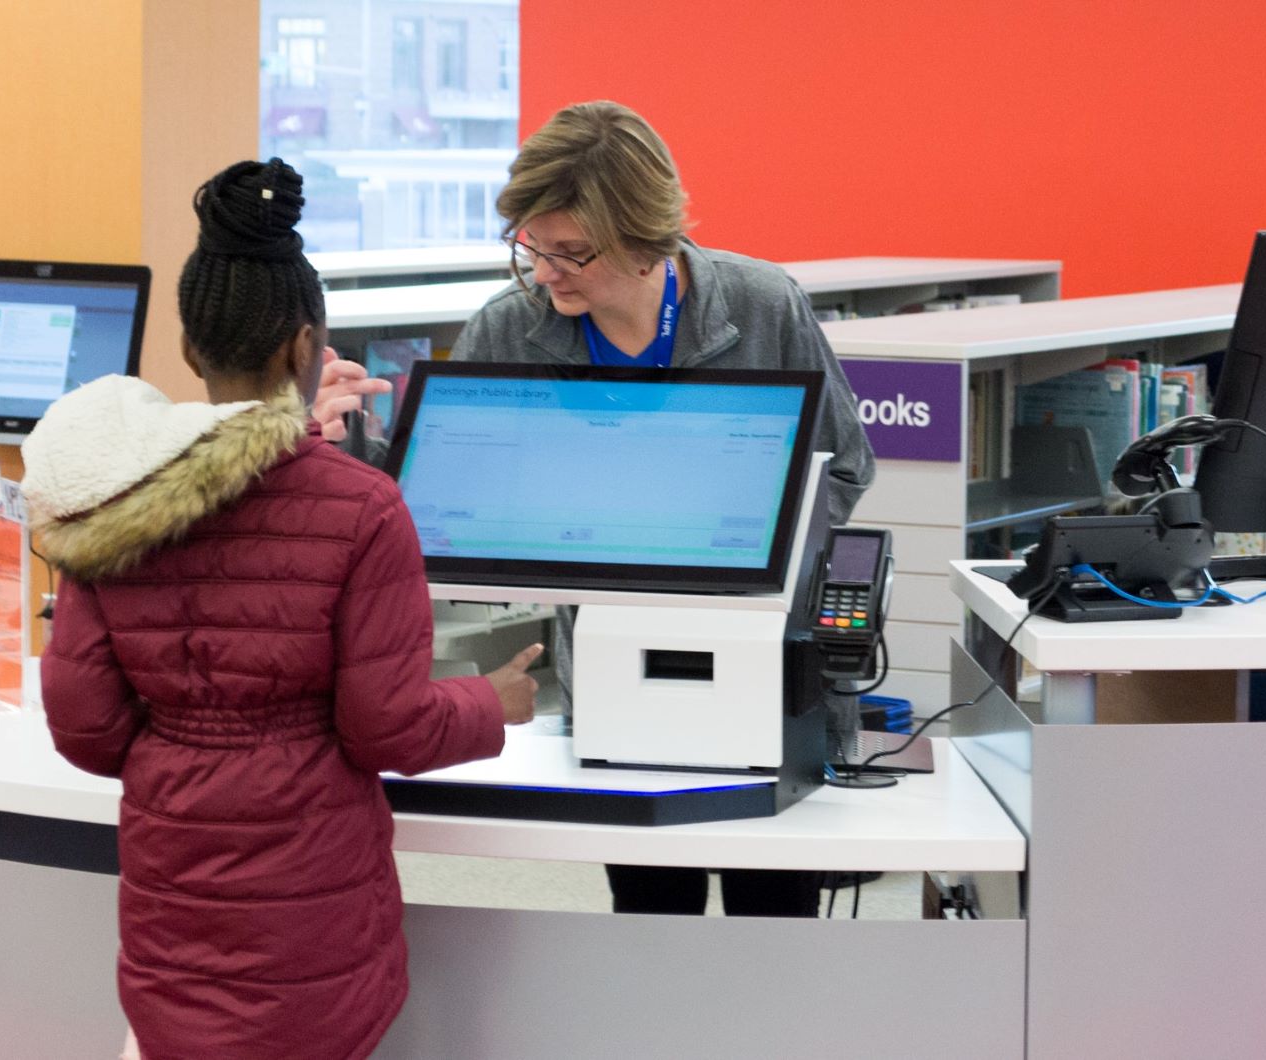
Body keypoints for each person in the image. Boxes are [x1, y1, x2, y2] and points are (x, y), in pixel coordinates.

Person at [25, 158, 545, 1060]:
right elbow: (385, 727)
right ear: (308, 346)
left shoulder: (109, 497)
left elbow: (84, 727)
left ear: (190, 349)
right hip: (312, 899)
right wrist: (488, 704)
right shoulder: (361, 508)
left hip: (170, 895)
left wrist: (188, 745)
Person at [314, 101, 876, 917]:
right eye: (533, 249)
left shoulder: (761, 305)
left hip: (759, 671)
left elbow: (845, 470)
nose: (546, 273)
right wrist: (346, 452)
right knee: (648, 909)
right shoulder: (510, 331)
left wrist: (716, 542)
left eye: (572, 253)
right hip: (612, 675)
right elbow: (430, 506)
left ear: (647, 239)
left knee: (773, 914)